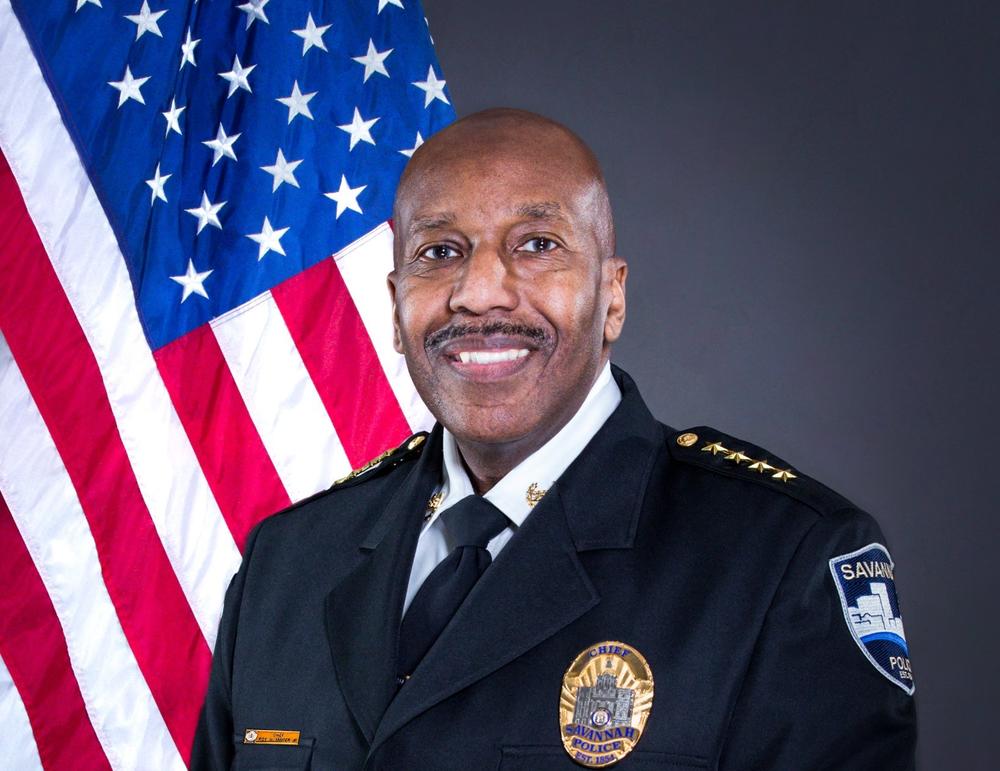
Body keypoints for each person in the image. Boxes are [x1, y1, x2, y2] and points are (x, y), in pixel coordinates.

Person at [192, 108, 916, 770]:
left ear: (613, 295)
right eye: (440, 252)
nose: (479, 292)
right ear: (394, 303)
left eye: (537, 245)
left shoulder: (780, 562)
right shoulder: (286, 564)